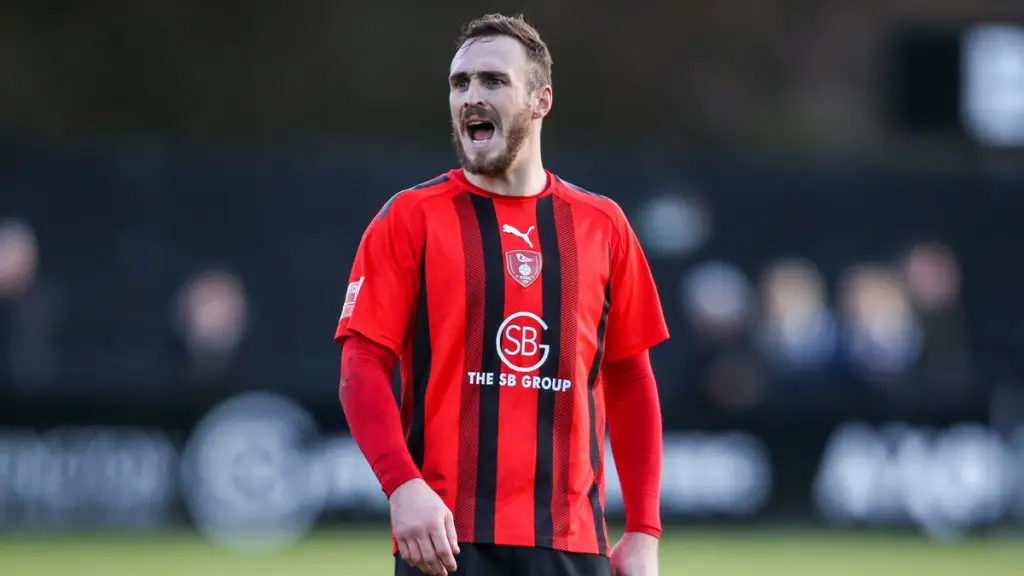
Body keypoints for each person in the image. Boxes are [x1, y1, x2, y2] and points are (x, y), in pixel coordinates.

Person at [335, 13, 668, 576]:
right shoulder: (409, 218)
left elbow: (631, 378)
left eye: (492, 81)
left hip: (570, 542)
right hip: (444, 541)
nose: (470, 96)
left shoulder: (602, 225)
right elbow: (361, 365)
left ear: (541, 101)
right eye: (459, 82)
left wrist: (643, 531)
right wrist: (403, 487)